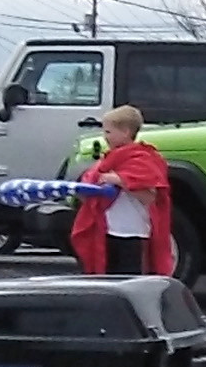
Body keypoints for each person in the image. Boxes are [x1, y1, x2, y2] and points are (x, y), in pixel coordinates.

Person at [68, 105, 174, 278]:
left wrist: (121, 181)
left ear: (125, 132)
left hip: (133, 234)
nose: (105, 137)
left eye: (109, 132)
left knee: (129, 281)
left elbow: (150, 197)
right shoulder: (109, 159)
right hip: (107, 231)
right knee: (108, 280)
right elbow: (93, 185)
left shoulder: (143, 159)